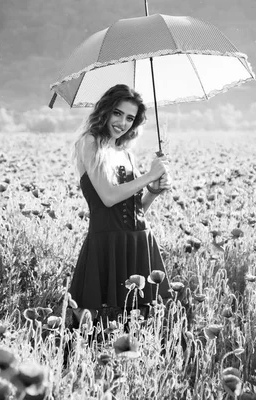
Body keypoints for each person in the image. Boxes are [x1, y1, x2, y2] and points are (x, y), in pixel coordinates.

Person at [68, 84, 172, 325]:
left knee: (142, 318)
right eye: (117, 113)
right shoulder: (89, 142)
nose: (122, 122)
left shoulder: (125, 152)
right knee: (86, 318)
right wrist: (148, 176)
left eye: (129, 118)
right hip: (105, 241)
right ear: (105, 110)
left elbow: (135, 212)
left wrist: (153, 192)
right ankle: (75, 361)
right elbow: (108, 197)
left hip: (138, 240)